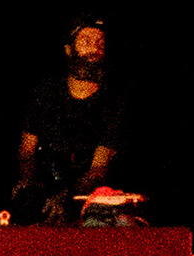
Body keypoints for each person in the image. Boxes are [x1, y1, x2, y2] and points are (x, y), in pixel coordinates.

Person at [8, 17, 131, 221]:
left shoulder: (113, 102)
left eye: (100, 42)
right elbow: (26, 150)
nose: (94, 49)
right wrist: (29, 181)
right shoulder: (46, 93)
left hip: (90, 198)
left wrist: (65, 198)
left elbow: (98, 168)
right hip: (45, 189)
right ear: (68, 49)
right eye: (86, 41)